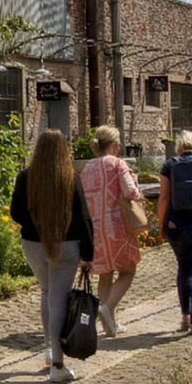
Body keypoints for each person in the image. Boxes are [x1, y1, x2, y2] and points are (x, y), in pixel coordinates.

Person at [10, 129, 94, 383]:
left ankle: (49, 348)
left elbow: (16, 213)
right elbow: (83, 218)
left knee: (47, 293)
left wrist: (35, 224)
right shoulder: (71, 178)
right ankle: (58, 364)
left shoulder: (26, 177)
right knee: (58, 299)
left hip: (33, 244)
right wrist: (88, 253)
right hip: (66, 245)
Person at [80, 125, 141, 338]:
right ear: (115, 145)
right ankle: (107, 307)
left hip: (95, 229)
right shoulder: (117, 164)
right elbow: (131, 192)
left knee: (105, 276)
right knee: (128, 271)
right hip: (117, 227)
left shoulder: (88, 167)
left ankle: (110, 325)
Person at [157, 131, 192, 332]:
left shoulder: (170, 165)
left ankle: (185, 317)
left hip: (177, 223)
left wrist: (162, 223)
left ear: (180, 146)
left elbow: (163, 197)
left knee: (185, 268)